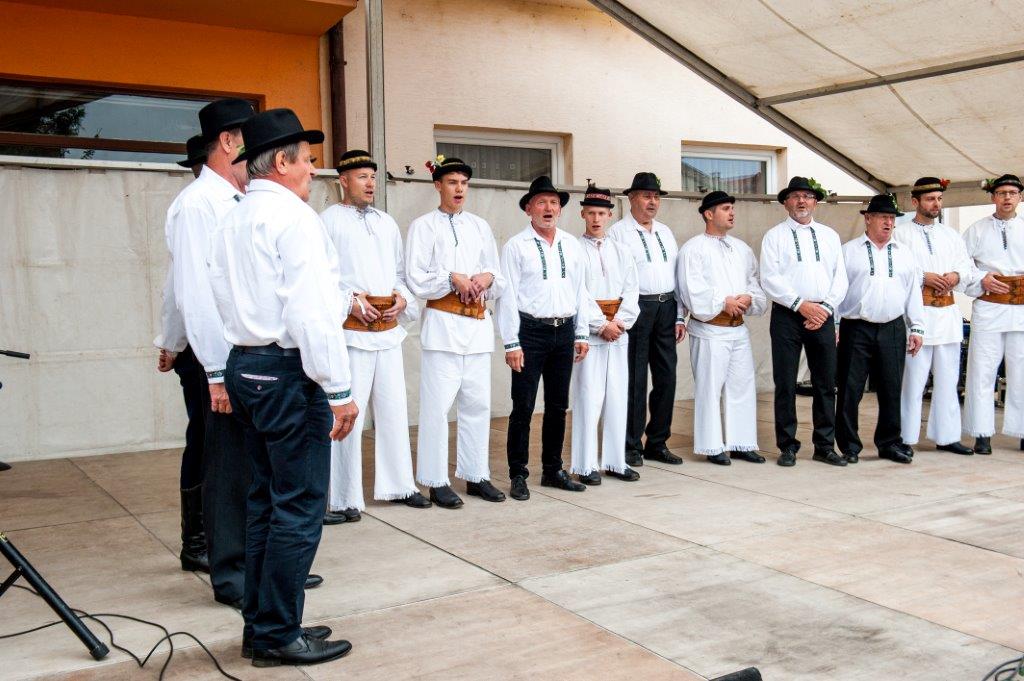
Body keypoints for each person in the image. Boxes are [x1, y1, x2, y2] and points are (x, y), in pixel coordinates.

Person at [210, 108, 355, 667]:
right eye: (308, 160)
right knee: (297, 506)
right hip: (288, 372)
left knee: (266, 503)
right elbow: (310, 312)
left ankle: (264, 623)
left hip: (246, 364)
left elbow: (221, 294)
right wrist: (337, 388)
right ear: (281, 163)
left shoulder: (235, 217)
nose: (314, 170)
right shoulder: (295, 219)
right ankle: (277, 634)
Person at [154, 99, 252, 606]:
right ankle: (214, 556)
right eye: (250, 139)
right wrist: (208, 366)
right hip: (214, 354)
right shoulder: (197, 205)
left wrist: (168, 342)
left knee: (243, 460)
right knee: (218, 459)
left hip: (240, 350)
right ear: (229, 142)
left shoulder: (240, 199)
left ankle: (254, 561)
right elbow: (189, 290)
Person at [320, 150, 430, 521]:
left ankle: (400, 486)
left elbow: (399, 274)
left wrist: (402, 299)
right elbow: (322, 278)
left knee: (395, 411)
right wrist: (350, 302)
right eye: (362, 177)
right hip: (352, 335)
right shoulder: (326, 221)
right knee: (347, 416)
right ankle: (343, 497)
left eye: (373, 177)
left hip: (387, 333)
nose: (370, 184)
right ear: (343, 180)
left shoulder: (386, 223)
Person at [406, 156, 506, 505]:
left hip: (476, 327)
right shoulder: (423, 226)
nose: (459, 188)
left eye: (464, 183)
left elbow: (497, 276)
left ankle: (476, 474)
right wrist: (452, 277)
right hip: (443, 329)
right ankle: (435, 480)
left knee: (477, 404)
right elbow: (416, 278)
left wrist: (487, 277)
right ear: (438, 186)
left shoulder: (480, 226)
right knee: (437, 408)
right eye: (452, 182)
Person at [497, 175, 601, 501]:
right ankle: (518, 474)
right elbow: (507, 297)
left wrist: (581, 333)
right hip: (530, 332)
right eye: (541, 202)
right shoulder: (516, 246)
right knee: (524, 406)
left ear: (560, 209)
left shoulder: (572, 245)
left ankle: (553, 470)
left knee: (558, 405)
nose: (548, 208)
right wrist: (511, 342)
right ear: (528, 208)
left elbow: (581, 291)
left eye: (554, 202)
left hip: (564, 330)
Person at [760, 177, 849, 466]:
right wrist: (801, 305)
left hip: (823, 313)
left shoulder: (829, 235)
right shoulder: (774, 236)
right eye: (796, 196)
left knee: (825, 383)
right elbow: (769, 278)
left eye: (808, 196)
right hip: (788, 314)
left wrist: (825, 308)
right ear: (786, 202)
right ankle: (787, 445)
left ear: (815, 202)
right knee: (785, 382)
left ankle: (824, 445)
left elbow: (840, 277)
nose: (802, 201)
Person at [677, 191, 767, 465]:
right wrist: (722, 302)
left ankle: (741, 442)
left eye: (732, 208)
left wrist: (749, 298)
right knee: (709, 388)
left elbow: (753, 281)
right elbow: (690, 289)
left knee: (742, 386)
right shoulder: (693, 249)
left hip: (738, 329)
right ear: (708, 213)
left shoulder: (741, 248)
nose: (732, 213)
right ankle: (711, 445)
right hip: (710, 329)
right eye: (726, 208)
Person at [836, 194, 924, 464]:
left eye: (892, 218)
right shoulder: (848, 251)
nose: (888, 223)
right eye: (883, 217)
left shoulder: (905, 253)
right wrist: (835, 324)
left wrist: (917, 327)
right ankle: (849, 446)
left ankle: (889, 443)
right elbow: (836, 290)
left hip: (893, 327)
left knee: (891, 387)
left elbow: (913, 292)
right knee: (850, 389)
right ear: (868, 218)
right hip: (855, 326)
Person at [609, 172, 687, 467]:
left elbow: (676, 276)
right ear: (631, 198)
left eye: (655, 196)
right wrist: (621, 317)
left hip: (667, 306)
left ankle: (658, 441)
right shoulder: (618, 232)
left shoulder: (665, 232)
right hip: (637, 307)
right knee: (635, 379)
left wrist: (679, 316)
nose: (652, 201)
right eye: (646, 196)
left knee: (667, 376)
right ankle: (631, 444)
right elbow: (616, 279)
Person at [894, 177, 974, 455]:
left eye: (939, 199)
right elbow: (897, 269)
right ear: (915, 202)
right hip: (918, 316)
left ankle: (947, 436)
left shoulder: (951, 235)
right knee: (913, 381)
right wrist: (923, 276)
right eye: (930, 199)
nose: (936, 204)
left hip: (948, 315)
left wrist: (956, 275)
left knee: (948, 380)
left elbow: (967, 267)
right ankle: (905, 438)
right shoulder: (901, 234)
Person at [570, 184, 641, 484]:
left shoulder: (622, 251)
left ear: (610, 215)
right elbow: (578, 292)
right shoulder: (574, 249)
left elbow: (632, 290)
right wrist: (601, 324)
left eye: (601, 213)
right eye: (591, 213)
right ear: (583, 214)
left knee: (617, 396)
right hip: (590, 333)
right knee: (588, 398)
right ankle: (585, 464)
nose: (596, 219)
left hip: (618, 334)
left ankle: (615, 461)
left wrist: (620, 322)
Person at [961, 174, 1024, 454]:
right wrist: (981, 279)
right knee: (982, 370)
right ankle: (981, 432)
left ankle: (1023, 431)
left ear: (1020, 197)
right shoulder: (977, 230)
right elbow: (961, 265)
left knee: (1022, 372)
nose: (1007, 197)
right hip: (989, 306)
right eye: (1002, 193)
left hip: (1021, 307)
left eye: (1012, 193)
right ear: (993, 197)